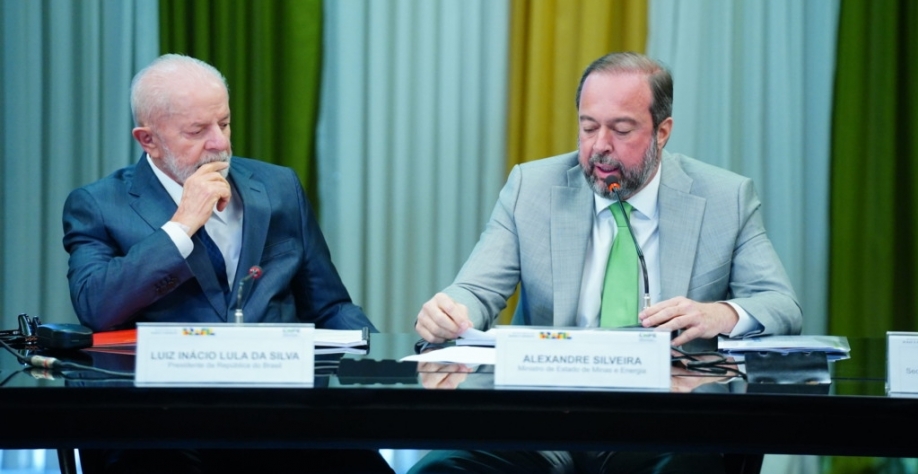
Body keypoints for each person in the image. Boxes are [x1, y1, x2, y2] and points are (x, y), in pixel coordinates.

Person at [411, 52, 802, 473]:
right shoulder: (532, 188)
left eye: (621, 130)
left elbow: (781, 305)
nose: (600, 146)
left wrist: (718, 314)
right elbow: (475, 290)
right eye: (588, 127)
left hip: (663, 425)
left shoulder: (725, 198)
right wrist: (449, 310)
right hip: (543, 423)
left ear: (662, 131)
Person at [62, 54, 392, 474]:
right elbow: (97, 306)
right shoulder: (98, 205)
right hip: (160, 424)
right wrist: (181, 226)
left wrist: (384, 368)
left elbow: (328, 307)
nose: (219, 143)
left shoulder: (278, 187)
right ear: (148, 140)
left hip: (283, 416)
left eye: (224, 123)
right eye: (197, 131)